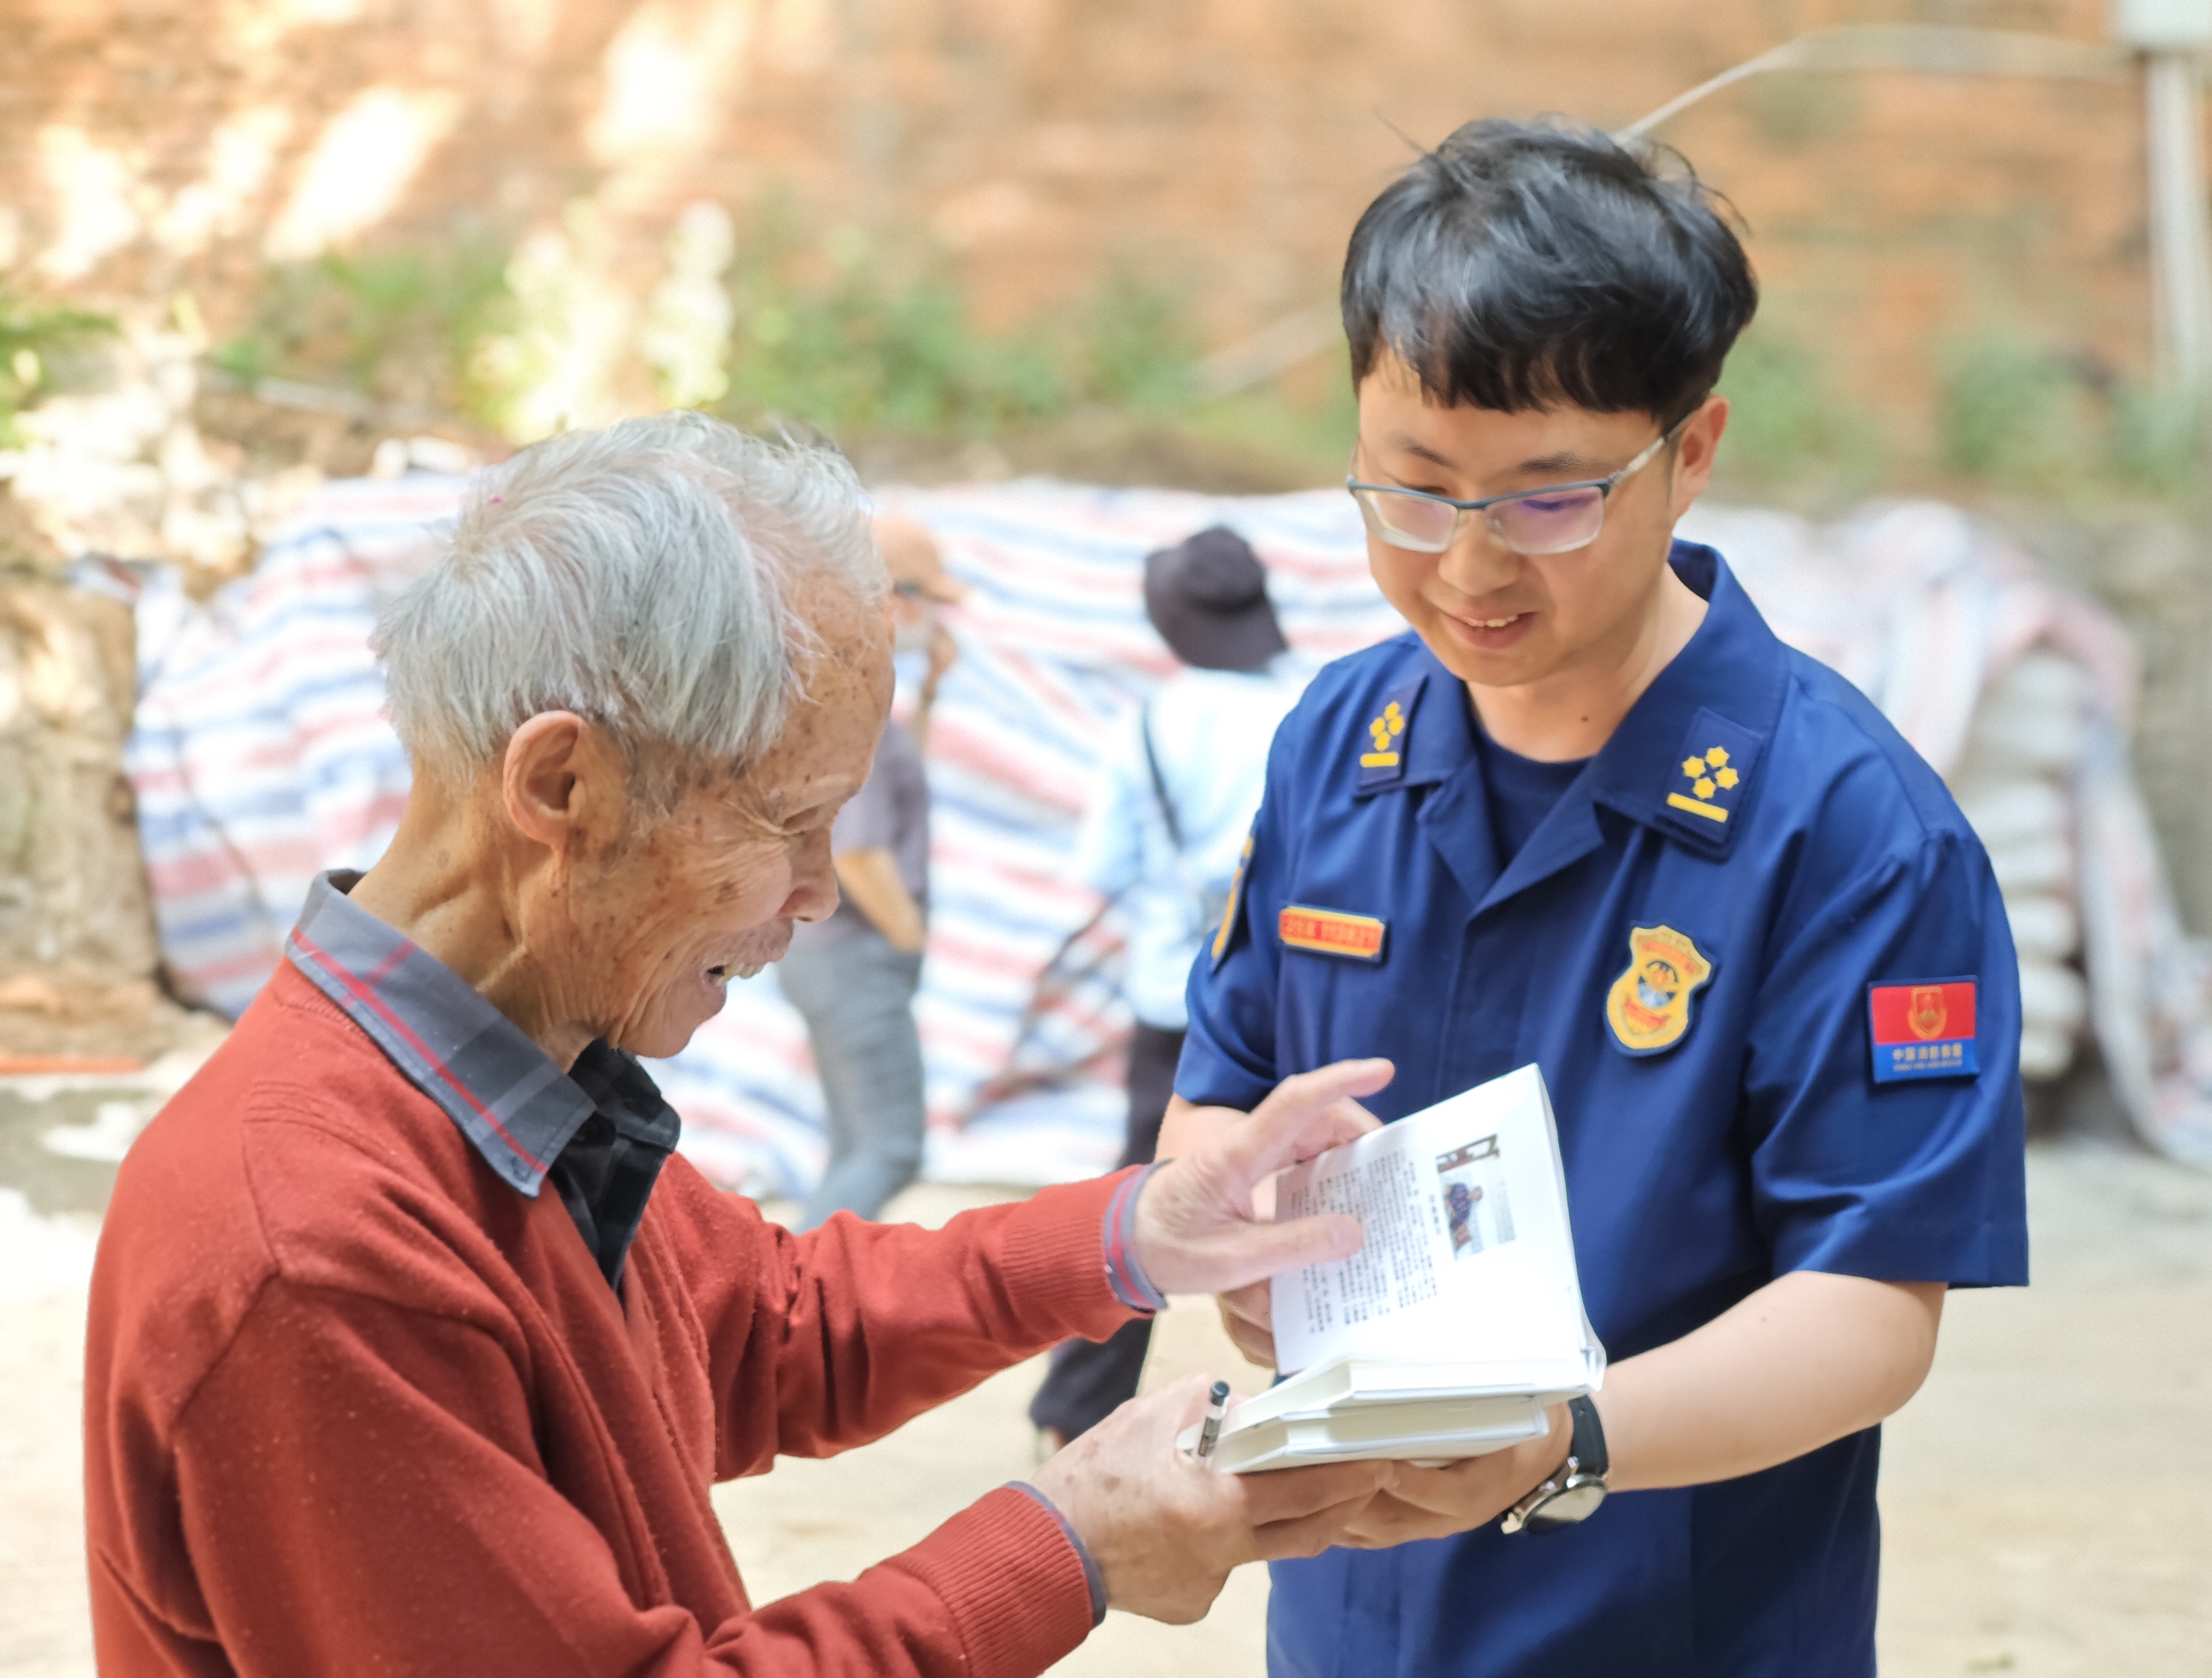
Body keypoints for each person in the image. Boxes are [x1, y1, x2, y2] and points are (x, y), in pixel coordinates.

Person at [81, 412, 1401, 1677]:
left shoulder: (511, 1071)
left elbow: (773, 1327)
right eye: (788, 819)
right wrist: (1069, 1547)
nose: (819, 892)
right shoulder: (313, 1252)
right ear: (562, 788)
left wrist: (1141, 1230)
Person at [1163, 120, 2028, 1676]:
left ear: (1690, 453)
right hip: (1350, 1624)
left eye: (1549, 499)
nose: (1469, 567)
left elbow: (1870, 1307)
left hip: (1667, 1626)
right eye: (1412, 492)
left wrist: (1556, 1442)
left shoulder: (1848, 828)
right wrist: (1227, 1218)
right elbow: (1218, 1091)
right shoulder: (1334, 748)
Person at [1031, 525, 1307, 1445]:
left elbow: (1100, 866)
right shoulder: (1315, 710)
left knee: (1141, 1207)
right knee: (1323, 1195)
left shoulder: (1152, 721)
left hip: (1176, 1004)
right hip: (1301, 1000)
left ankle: (1076, 1411)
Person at [777, 509, 955, 1226]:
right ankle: (786, 1299)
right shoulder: (855, 704)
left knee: (855, 1141)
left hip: (826, 956)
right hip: (855, 955)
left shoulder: (838, 689)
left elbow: (891, 785)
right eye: (931, 603)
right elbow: (857, 849)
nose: (937, 621)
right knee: (889, 1147)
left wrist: (934, 693)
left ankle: (799, 1300)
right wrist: (908, 936)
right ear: (894, 601)